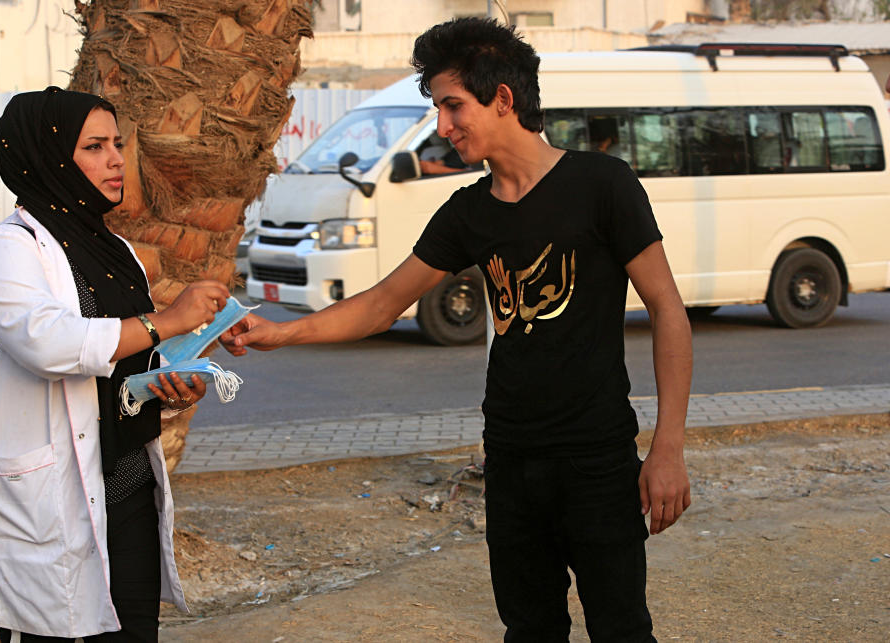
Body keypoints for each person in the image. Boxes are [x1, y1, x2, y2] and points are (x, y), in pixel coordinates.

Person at [222, 17, 692, 642]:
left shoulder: (602, 185)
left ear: (503, 99)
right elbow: (384, 304)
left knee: (622, 629)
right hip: (510, 457)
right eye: (439, 108)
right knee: (528, 629)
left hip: (596, 459)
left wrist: (667, 449)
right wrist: (279, 334)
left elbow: (667, 308)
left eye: (452, 106)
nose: (443, 127)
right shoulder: (468, 211)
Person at [0, 87, 230, 641]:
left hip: (124, 481)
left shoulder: (115, 251)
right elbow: (53, 346)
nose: (115, 159)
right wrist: (169, 320)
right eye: (94, 146)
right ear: (48, 156)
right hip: (47, 495)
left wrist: (169, 379)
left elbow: (126, 358)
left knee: (130, 631)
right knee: (48, 631)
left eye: (118, 143)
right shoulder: (7, 250)